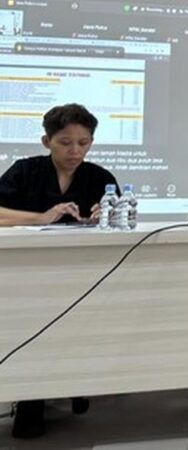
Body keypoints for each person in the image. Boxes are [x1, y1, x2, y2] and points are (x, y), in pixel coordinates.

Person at [0, 103, 118, 439]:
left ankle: (73, 382)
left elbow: (123, 219)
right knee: (34, 326)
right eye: (65, 142)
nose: (75, 151)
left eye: (83, 143)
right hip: (29, 276)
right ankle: (31, 400)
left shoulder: (100, 178)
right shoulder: (25, 171)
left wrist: (106, 216)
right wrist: (40, 218)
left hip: (84, 274)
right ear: (46, 141)